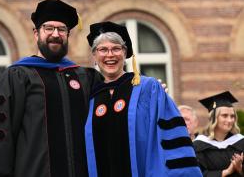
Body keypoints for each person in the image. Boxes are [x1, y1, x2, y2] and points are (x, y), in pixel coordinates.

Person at [0, 0, 102, 177]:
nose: (55, 34)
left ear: (68, 35)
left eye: (61, 29)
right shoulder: (17, 76)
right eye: (49, 28)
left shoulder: (85, 77)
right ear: (36, 33)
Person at [84, 21, 202, 177]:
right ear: (94, 55)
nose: (110, 55)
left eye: (116, 49)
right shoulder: (88, 95)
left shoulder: (148, 89)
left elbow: (171, 139)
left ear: (125, 53)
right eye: (103, 50)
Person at [193, 91, 244, 177]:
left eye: (232, 116)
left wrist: (240, 168)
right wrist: (227, 172)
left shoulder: (241, 142)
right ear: (213, 118)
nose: (230, 120)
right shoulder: (199, 146)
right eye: (224, 115)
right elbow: (197, 174)